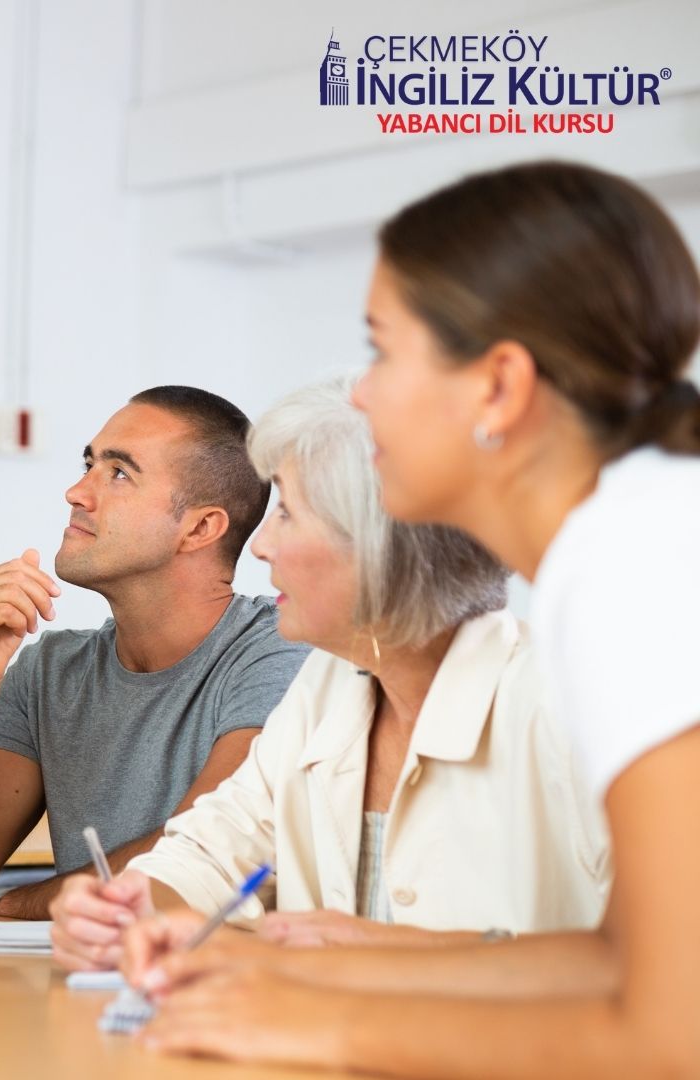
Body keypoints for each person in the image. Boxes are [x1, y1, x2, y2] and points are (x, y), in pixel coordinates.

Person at [123, 161, 700, 1077]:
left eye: (383, 351)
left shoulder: (639, 567)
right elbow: (616, 960)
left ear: (499, 388)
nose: (360, 394)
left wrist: (324, 1027)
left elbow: (673, 1034)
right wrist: (277, 968)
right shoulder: (627, 541)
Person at [49, 376, 609, 971]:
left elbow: (664, 967)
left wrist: (388, 951)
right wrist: (126, 908)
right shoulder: (324, 691)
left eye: (287, 511)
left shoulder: (569, 705)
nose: (260, 547)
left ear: (379, 540)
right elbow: (209, 854)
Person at [0, 387, 310, 917]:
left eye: (118, 474)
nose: (76, 492)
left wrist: (21, 904)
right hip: (87, 987)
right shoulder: (48, 672)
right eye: (88, 465)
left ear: (201, 528)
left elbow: (204, 853)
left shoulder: (281, 654)